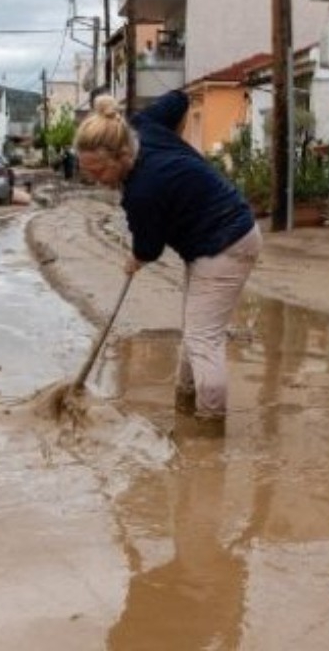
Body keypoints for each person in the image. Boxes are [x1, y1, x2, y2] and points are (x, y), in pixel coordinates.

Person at [73, 90, 261, 422]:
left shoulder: (143, 190)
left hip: (227, 243)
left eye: (99, 172)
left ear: (120, 156)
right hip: (211, 239)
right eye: (89, 173)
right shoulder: (141, 126)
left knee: (203, 338)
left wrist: (135, 259)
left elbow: (149, 247)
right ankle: (186, 406)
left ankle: (209, 431)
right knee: (195, 331)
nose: (96, 181)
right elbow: (178, 99)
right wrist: (179, 149)